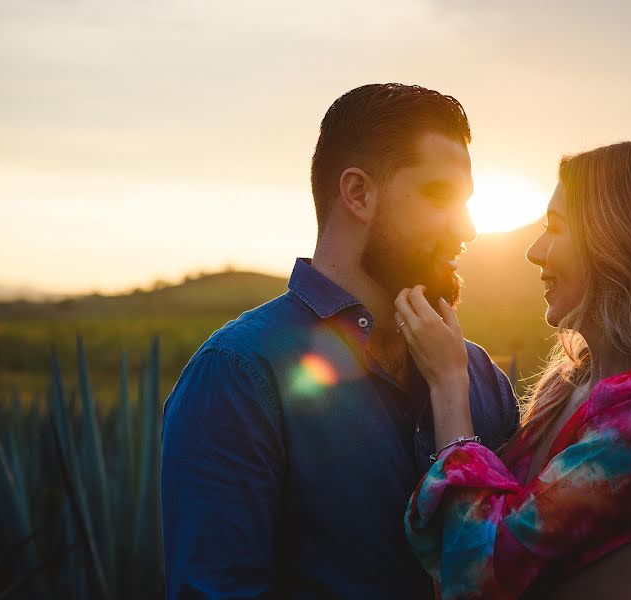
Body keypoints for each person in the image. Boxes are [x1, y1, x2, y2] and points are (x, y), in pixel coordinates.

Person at [159, 83, 519, 599]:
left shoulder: (480, 378)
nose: (467, 228)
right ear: (358, 194)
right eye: (439, 196)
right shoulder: (239, 373)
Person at [396, 142, 631, 600]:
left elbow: (479, 575)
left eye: (556, 229)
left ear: (618, 242)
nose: (534, 252)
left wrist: (448, 384)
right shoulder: (567, 387)